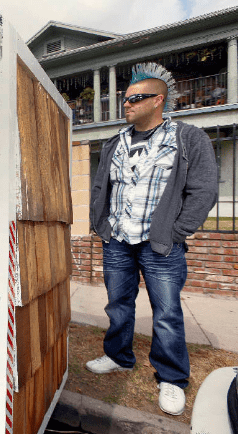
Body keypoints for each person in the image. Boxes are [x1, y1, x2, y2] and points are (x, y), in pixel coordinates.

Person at [88, 62, 218, 416]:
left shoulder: (187, 138)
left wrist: (178, 231)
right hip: (117, 240)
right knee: (117, 305)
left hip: (160, 243)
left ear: (158, 100)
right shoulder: (115, 141)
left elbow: (204, 189)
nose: (126, 105)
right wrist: (101, 225)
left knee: (166, 313)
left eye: (135, 98)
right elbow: (102, 186)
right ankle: (118, 356)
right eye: (125, 100)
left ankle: (172, 378)